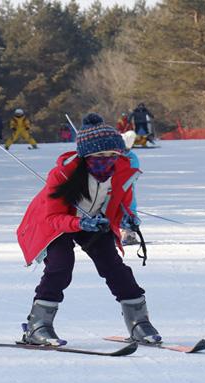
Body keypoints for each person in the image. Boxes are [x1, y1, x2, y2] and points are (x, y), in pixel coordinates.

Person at [15, 113, 160, 346]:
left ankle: (139, 322)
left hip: (94, 221)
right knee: (61, 266)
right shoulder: (63, 174)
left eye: (113, 155)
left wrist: (127, 220)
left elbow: (121, 205)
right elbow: (52, 217)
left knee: (113, 265)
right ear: (85, 156)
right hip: (56, 224)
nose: (108, 161)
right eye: (100, 156)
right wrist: (79, 223)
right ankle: (38, 325)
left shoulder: (122, 172)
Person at [120, 130, 141, 245]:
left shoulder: (132, 158)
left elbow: (133, 174)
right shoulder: (114, 155)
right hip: (112, 188)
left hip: (127, 188)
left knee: (130, 207)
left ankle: (130, 233)